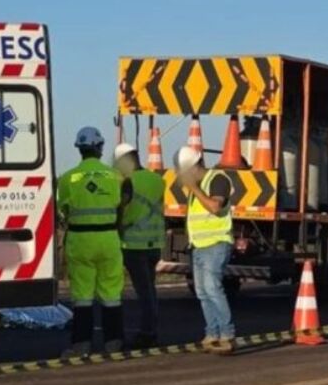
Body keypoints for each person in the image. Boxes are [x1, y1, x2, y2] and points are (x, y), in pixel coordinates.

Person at [57, 127, 125, 358]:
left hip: (80, 240)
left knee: (82, 295)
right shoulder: (115, 176)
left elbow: (63, 210)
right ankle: (113, 343)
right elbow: (122, 204)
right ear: (100, 147)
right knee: (111, 293)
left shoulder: (67, 178)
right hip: (108, 238)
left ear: (80, 149)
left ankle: (81, 345)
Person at [175, 147, 236, 354]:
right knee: (202, 292)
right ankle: (212, 333)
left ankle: (227, 334)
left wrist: (194, 188)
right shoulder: (198, 187)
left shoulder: (217, 179)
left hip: (216, 244)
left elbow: (215, 207)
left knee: (212, 289)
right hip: (199, 246)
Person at [114, 142, 165, 349]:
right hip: (154, 244)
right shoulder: (157, 180)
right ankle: (151, 330)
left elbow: (124, 210)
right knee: (149, 290)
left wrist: (118, 228)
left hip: (133, 244)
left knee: (143, 292)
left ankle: (147, 334)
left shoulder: (128, 181)